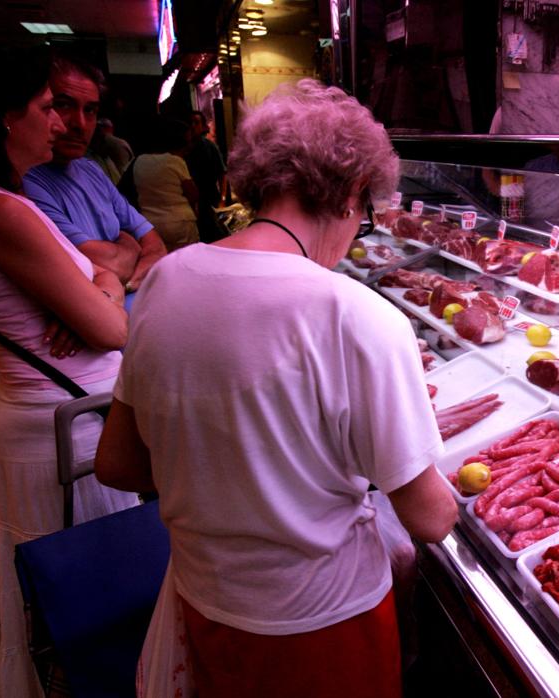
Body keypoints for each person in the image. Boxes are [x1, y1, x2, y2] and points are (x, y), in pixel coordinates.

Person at [95, 79, 458, 697]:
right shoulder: (355, 314)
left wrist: (228, 468)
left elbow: (119, 462)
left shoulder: (166, 282)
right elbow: (429, 519)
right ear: (348, 195)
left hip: (206, 604)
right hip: (326, 628)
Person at [0, 45, 139, 697]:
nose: (59, 124)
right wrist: (104, 287)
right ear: (3, 118)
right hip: (68, 429)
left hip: (42, 415)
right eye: (47, 108)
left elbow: (106, 274)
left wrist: (99, 278)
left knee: (62, 593)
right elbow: (113, 327)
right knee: (98, 594)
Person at [23, 55, 166, 303]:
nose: (79, 124)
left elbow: (155, 243)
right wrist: (130, 244)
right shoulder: (25, 181)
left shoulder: (91, 169)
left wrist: (125, 252)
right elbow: (99, 263)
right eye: (63, 105)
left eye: (90, 110)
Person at [131, 118, 199, 252]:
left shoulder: (139, 161)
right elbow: (193, 193)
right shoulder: (174, 161)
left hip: (150, 224)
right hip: (179, 222)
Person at [185, 110, 228, 243]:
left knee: (215, 236)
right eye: (190, 123)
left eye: (196, 123)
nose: (193, 126)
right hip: (189, 202)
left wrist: (223, 199)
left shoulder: (210, 147)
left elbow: (222, 174)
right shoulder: (183, 149)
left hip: (210, 199)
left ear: (203, 126)